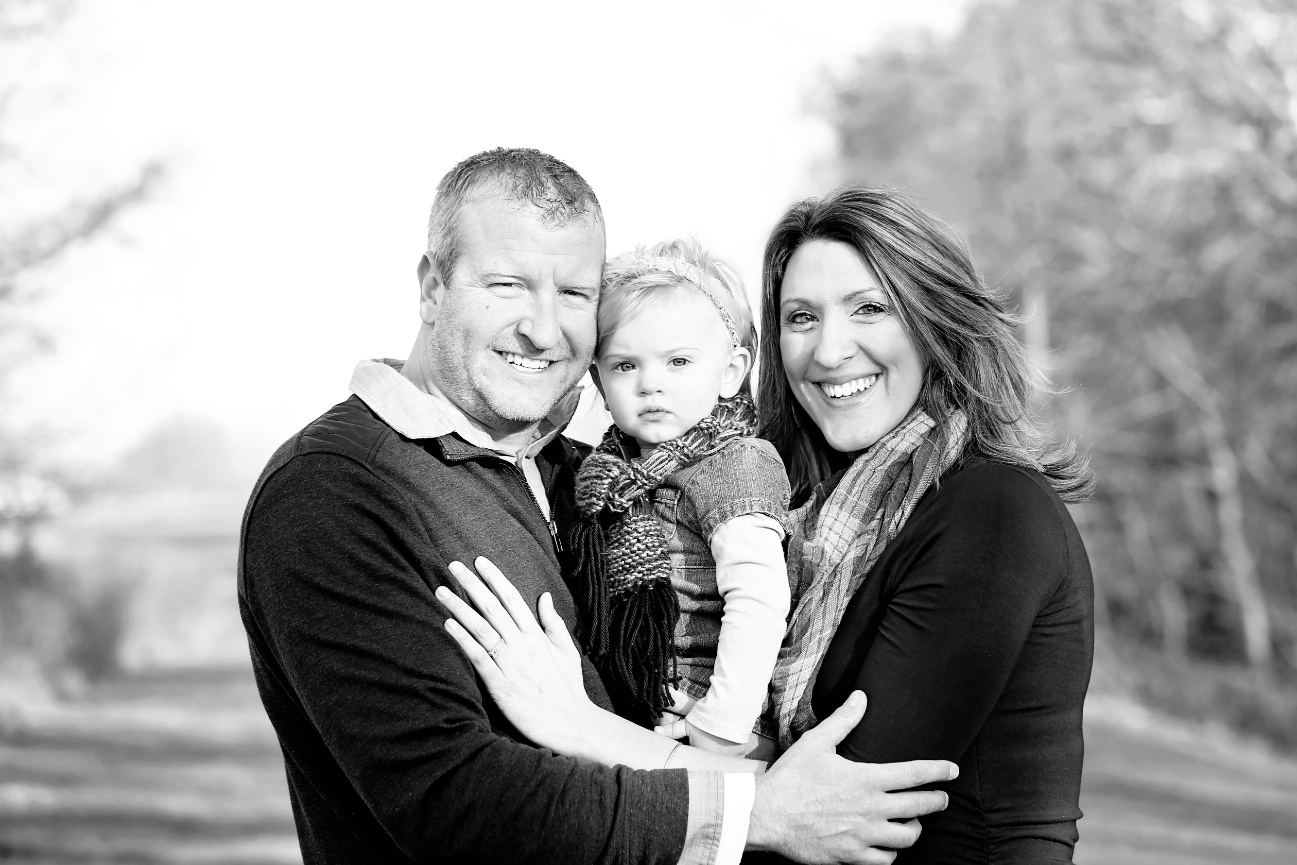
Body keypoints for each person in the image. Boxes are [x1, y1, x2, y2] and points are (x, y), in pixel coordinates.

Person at [237, 148, 956, 865]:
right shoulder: (336, 488)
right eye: (507, 285)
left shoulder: (589, 476)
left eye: (575, 294)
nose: (543, 329)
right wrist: (754, 810)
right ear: (432, 287)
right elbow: (447, 800)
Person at [440, 183, 1095, 865]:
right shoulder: (815, 511)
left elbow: (834, 805)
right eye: (802, 317)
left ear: (937, 321)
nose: (829, 351)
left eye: (869, 308)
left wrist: (578, 725)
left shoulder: (993, 512)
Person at [566, 239, 790, 756]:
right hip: (642, 700)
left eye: (678, 361)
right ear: (598, 379)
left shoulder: (736, 463)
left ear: (731, 372)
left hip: (712, 713)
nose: (650, 384)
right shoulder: (608, 478)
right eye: (625, 365)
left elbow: (759, 599)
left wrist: (720, 725)